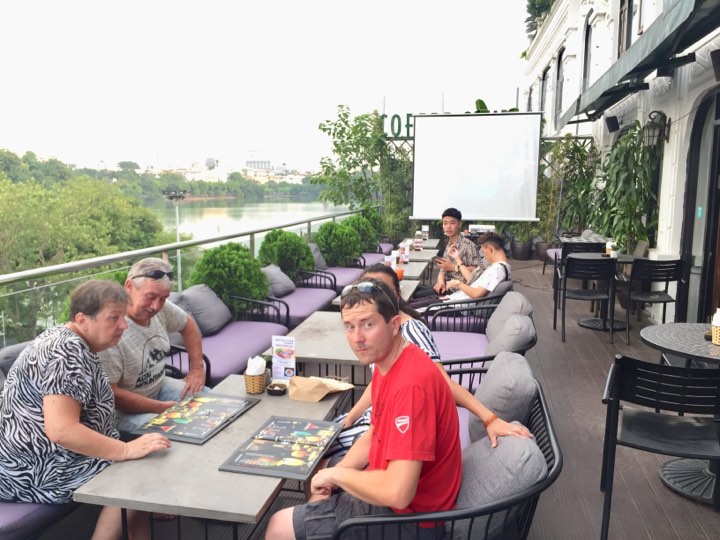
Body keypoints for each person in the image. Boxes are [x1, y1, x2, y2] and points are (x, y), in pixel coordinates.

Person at [265, 278, 462, 540]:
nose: (357, 338)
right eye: (349, 326)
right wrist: (331, 478)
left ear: (394, 325)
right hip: (390, 489)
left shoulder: (411, 386)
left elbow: (398, 493)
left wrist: (337, 475)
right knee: (317, 471)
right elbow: (374, 434)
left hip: (410, 519)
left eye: (368, 324)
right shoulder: (388, 361)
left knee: (278, 526)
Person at [0, 280, 171, 540]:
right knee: (137, 472)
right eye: (114, 318)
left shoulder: (71, 339)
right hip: (34, 468)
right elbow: (62, 430)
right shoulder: (65, 353)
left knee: (143, 455)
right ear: (82, 319)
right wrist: (125, 450)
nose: (124, 326)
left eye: (123, 317)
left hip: (48, 455)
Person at [334, 264, 529, 453]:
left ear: (396, 295)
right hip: (380, 416)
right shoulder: (382, 342)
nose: (372, 298)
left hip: (402, 422)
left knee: (326, 452)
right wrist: (351, 417)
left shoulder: (410, 333)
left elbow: (442, 380)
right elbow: (378, 382)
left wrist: (489, 419)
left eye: (382, 290)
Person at [98, 258, 206, 433]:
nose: (156, 306)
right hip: (120, 412)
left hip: (159, 387)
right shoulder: (111, 329)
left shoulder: (161, 307)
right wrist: (162, 408)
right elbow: (112, 395)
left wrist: (197, 369)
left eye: (163, 299)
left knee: (208, 402)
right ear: (129, 286)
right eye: (150, 297)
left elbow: (188, 325)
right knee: (180, 429)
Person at [410, 231, 511, 308]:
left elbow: (476, 294)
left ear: (490, 249)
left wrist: (456, 283)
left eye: (484, 252)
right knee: (411, 302)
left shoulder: (497, 270)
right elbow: (472, 280)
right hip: (452, 300)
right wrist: (457, 258)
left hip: (454, 307)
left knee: (411, 307)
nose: (484, 256)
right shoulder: (498, 267)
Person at [414, 207, 482, 298]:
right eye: (445, 223)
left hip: (459, 290)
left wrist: (453, 267)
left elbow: (477, 270)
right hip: (447, 284)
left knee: (417, 295)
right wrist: (441, 281)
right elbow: (444, 267)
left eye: (452, 223)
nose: (448, 226)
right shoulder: (450, 243)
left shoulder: (468, 245)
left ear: (459, 224)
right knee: (415, 290)